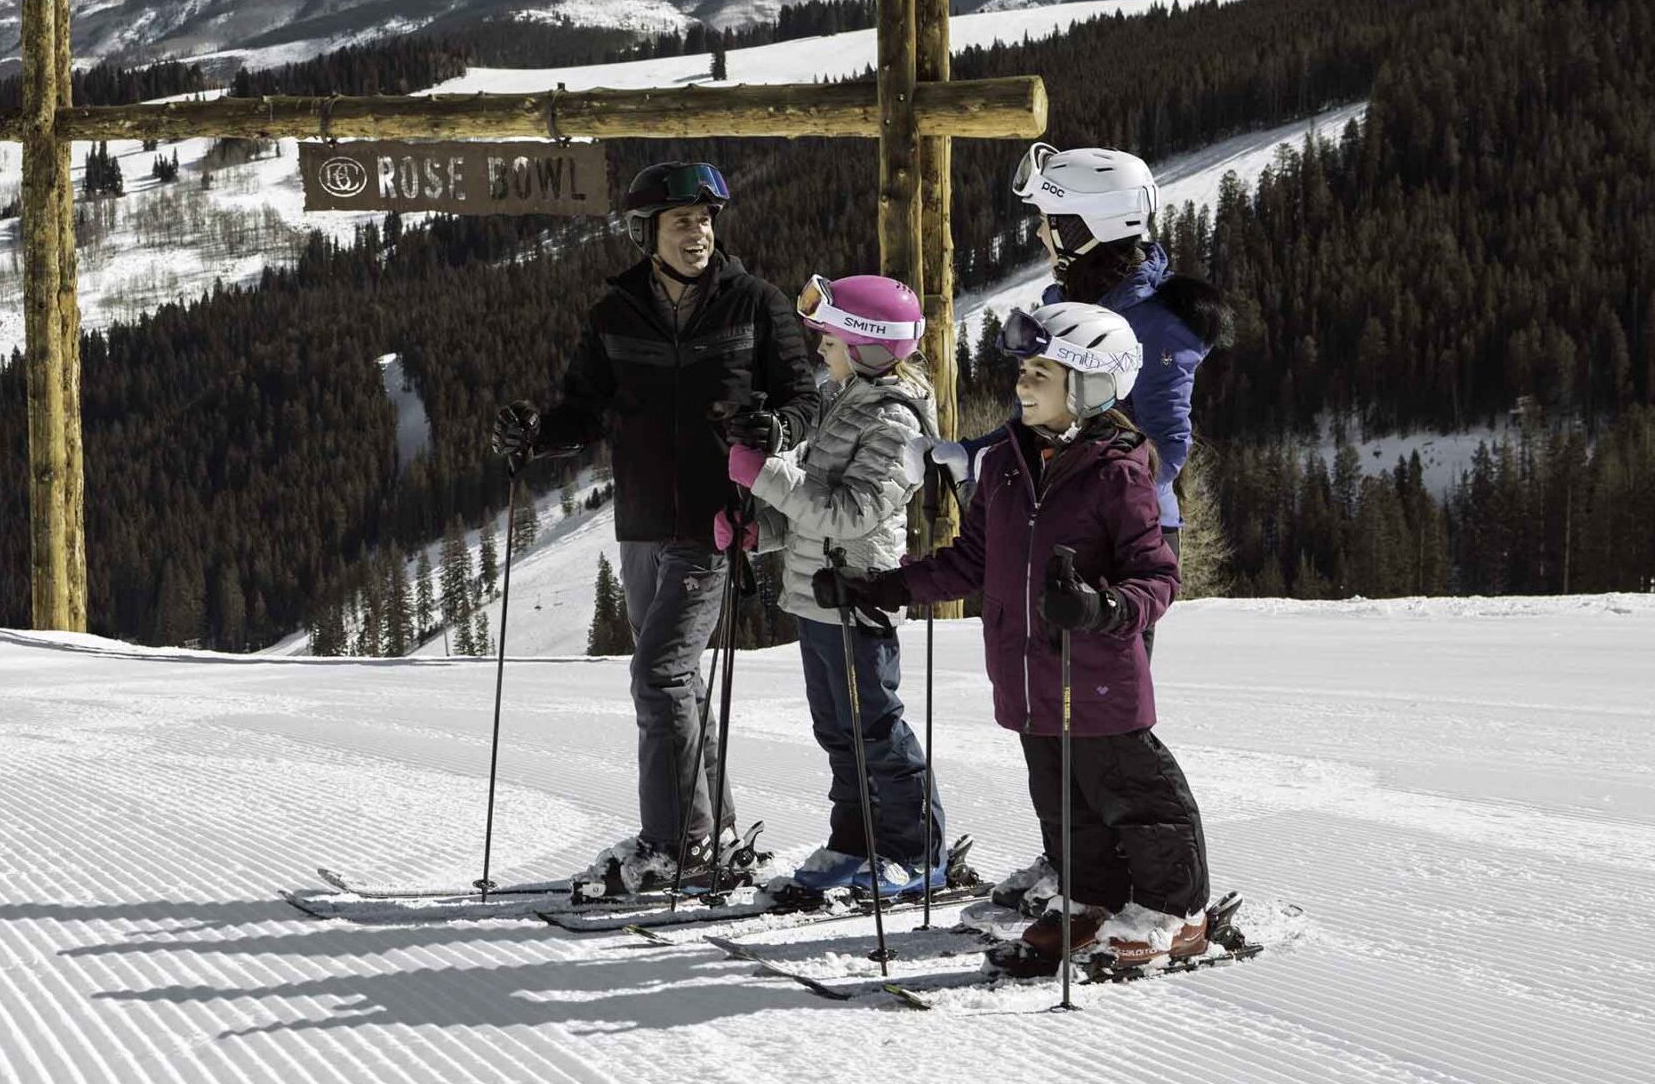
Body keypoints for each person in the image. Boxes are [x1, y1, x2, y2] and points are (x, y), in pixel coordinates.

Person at [819, 301, 1210, 968]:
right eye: (1023, 371)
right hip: (1025, 673)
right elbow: (970, 558)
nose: (1022, 385)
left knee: (1136, 794)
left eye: (1040, 373)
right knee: (1061, 803)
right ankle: (1089, 896)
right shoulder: (1001, 462)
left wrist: (1100, 606)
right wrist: (887, 584)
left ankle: (1176, 910)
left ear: (1088, 385)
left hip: (1095, 672)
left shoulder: (1117, 471)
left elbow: (1156, 577)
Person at [492, 160, 818, 897]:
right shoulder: (616, 312)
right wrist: (535, 434)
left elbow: (805, 396)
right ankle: (715, 831)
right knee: (679, 683)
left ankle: (676, 844)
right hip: (640, 519)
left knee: (659, 673)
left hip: (719, 517)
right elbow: (582, 406)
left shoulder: (755, 302)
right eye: (681, 222)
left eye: (705, 220)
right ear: (649, 233)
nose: (697, 233)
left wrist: (778, 425)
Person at [722, 274, 950, 899]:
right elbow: (808, 508)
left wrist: (765, 479)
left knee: (875, 727)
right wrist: (757, 532)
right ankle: (855, 837)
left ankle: (916, 849)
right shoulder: (843, 398)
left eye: (831, 338)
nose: (819, 348)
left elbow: (851, 514)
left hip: (857, 595)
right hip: (816, 596)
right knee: (837, 729)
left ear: (871, 345)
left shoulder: (896, 423)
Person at [943, 145, 1232, 628]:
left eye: (1049, 220)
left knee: (1103, 695)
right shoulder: (1067, 304)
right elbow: (1036, 423)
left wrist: (1082, 493)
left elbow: (1167, 448)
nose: (1039, 232)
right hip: (1057, 523)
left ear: (1086, 225)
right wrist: (973, 453)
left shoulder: (1157, 325)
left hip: (1125, 537)